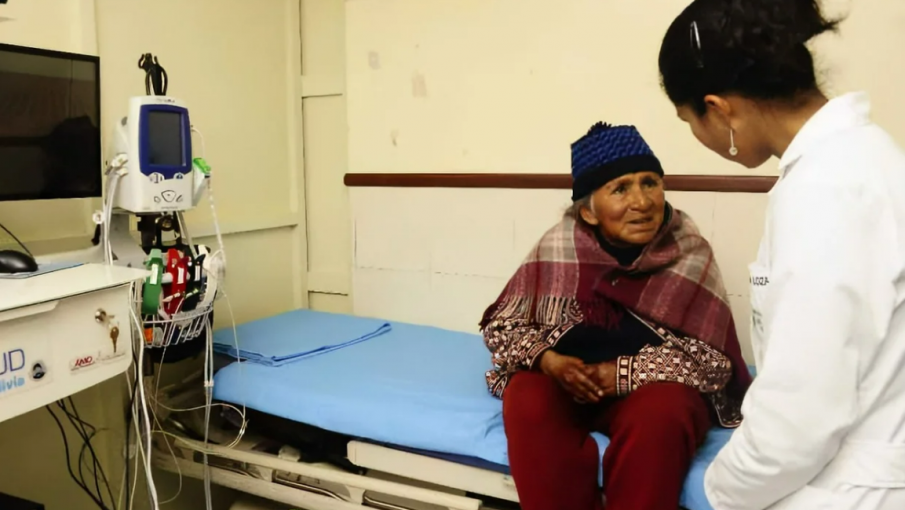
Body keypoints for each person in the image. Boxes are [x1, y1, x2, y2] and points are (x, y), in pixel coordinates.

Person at [659, 1, 905, 509]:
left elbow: (799, 419)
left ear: (719, 109)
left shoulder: (825, 190)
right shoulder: (869, 157)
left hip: (852, 489)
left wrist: (717, 490)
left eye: (689, 121)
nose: (697, 136)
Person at [480, 122, 752, 510]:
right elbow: (503, 329)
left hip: (646, 390)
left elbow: (711, 362)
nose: (642, 201)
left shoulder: (689, 250)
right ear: (588, 212)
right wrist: (550, 361)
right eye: (620, 189)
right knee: (526, 396)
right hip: (568, 383)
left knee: (666, 411)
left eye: (650, 183)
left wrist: (621, 374)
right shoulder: (559, 246)